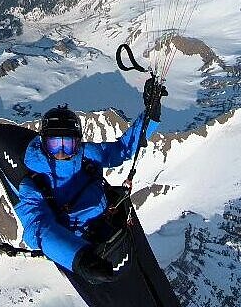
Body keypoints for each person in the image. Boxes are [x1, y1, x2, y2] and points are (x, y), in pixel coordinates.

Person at [15, 76, 167, 283]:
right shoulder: (34, 184)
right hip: (78, 241)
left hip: (105, 219)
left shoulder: (86, 155)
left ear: (77, 143)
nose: (61, 152)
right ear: (43, 144)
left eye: (67, 145)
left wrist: (151, 114)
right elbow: (38, 228)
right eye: (55, 145)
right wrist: (79, 259)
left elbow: (122, 149)